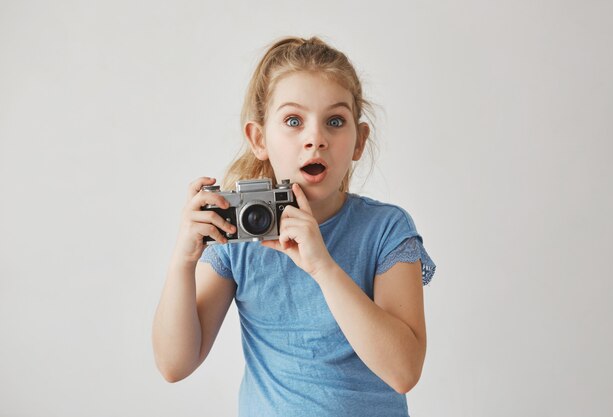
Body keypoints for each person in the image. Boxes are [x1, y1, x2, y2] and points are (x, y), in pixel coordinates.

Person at [152, 36, 437, 417]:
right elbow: (174, 365)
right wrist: (181, 263)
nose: (315, 139)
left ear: (359, 141)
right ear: (259, 139)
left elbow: (403, 371)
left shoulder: (386, 229)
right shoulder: (236, 236)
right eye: (292, 121)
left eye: (335, 121)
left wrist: (323, 267)